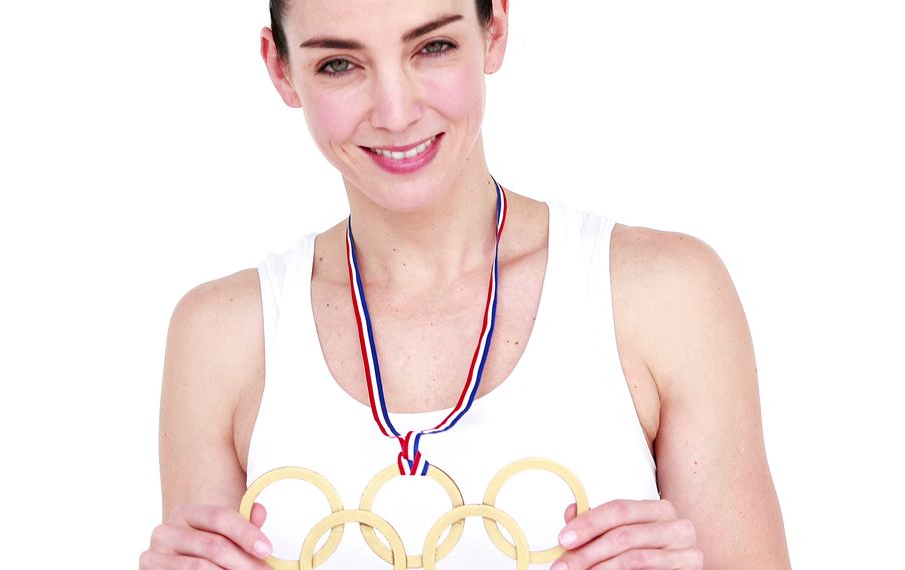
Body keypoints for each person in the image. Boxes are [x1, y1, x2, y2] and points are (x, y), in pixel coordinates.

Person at [140, 0, 791, 568]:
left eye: (434, 47)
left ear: (496, 29)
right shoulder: (221, 335)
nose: (395, 113)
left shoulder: (663, 295)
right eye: (340, 63)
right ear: (281, 68)